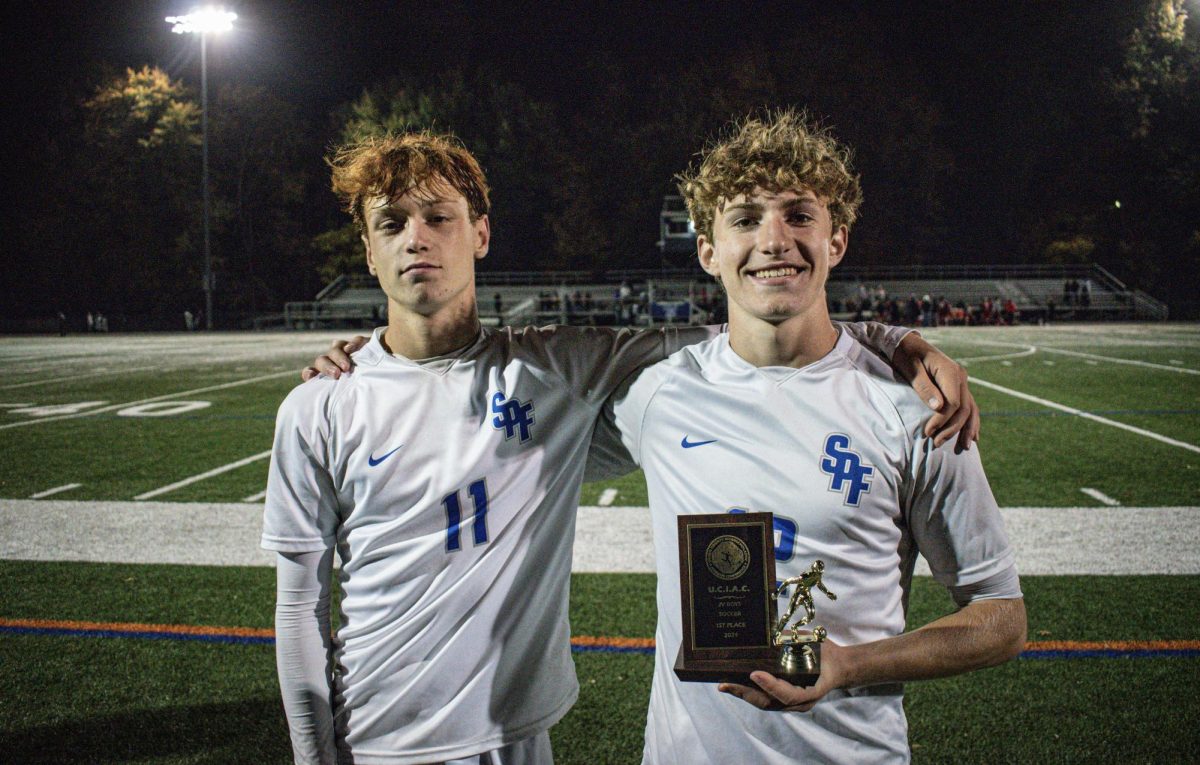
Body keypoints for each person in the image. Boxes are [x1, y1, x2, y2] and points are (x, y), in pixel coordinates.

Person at [286, 131, 978, 764]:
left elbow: (763, 323)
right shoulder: (322, 403)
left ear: (481, 234)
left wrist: (893, 342)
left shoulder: (559, 369)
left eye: (439, 217)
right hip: (376, 733)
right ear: (369, 251)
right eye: (392, 223)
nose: (417, 238)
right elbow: (298, 609)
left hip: (520, 735)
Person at [594, 110, 1024, 763]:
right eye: (744, 218)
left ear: (837, 241)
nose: (773, 239)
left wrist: (848, 663)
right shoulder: (657, 390)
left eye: (798, 215)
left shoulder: (914, 407)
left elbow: (1000, 616)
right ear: (708, 250)